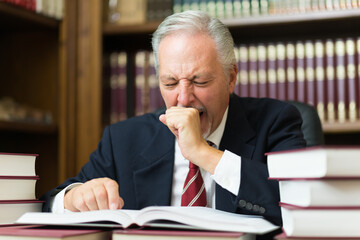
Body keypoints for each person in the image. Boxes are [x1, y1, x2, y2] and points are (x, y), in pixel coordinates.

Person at [41, 10, 306, 228]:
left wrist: (203, 154)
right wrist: (73, 198)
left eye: (199, 81)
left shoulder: (276, 121)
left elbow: (303, 202)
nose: (183, 98)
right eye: (170, 83)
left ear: (231, 78)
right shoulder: (123, 139)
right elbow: (49, 202)